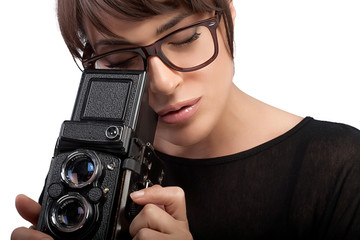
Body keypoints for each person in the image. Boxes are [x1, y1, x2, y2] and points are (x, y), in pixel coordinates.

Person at [11, 0, 360, 239]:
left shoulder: (341, 167)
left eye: (184, 38)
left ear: (227, 14)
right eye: (120, 61)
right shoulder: (87, 167)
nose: (163, 82)